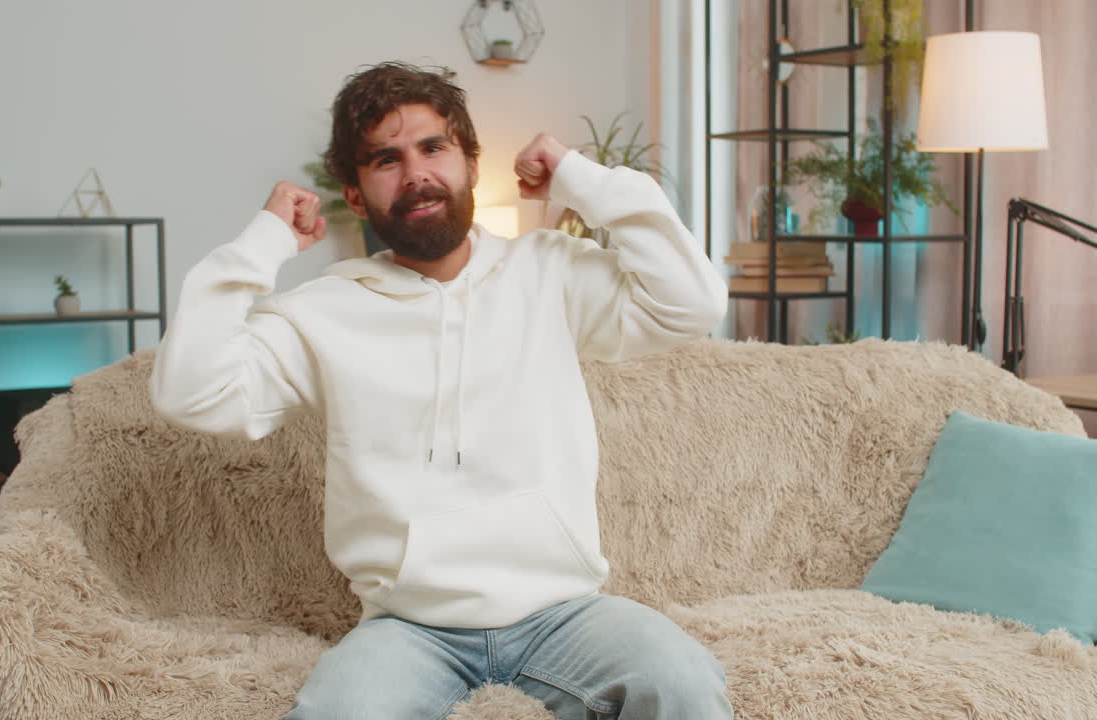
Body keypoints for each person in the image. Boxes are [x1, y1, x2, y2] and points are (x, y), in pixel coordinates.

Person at [150, 61, 731, 720]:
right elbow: (189, 392)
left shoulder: (548, 273)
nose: (416, 173)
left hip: (564, 616)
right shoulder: (321, 313)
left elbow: (692, 302)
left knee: (682, 680)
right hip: (409, 630)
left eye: (434, 148)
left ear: (471, 163)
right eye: (385, 160)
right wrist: (262, 243)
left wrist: (580, 178)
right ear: (357, 194)